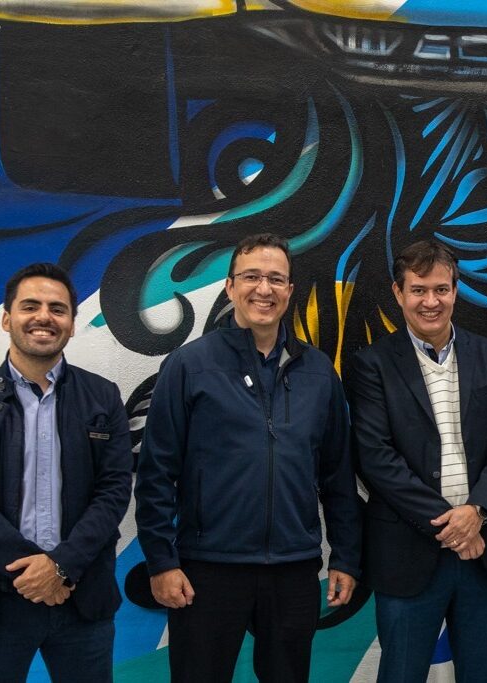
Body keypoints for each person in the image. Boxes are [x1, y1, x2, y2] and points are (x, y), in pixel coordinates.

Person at [135, 233, 362, 682]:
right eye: (252, 277)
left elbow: (338, 476)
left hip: (293, 569)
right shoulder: (189, 366)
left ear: (290, 290)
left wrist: (345, 558)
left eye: (276, 279)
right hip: (207, 568)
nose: (264, 289)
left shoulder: (319, 372)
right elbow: (156, 472)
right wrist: (161, 561)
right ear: (230, 286)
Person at [0, 263, 133, 682]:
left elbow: (113, 491)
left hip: (81, 597)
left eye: (57, 309)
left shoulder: (103, 396)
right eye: (30, 306)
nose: (44, 316)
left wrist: (61, 566)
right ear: (7, 319)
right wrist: (34, 571)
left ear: (72, 324)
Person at [345, 240, 487, 683]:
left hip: (484, 551)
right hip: (408, 555)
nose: (431, 301)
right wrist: (453, 526)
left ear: (455, 291)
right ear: (398, 292)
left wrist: (477, 512)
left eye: (441, 289)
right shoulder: (371, 364)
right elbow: (376, 458)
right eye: (419, 290)